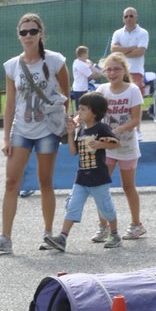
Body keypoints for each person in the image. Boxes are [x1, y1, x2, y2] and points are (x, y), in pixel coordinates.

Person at [0, 13, 69, 254]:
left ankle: (48, 233)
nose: (28, 36)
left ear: (41, 33)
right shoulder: (12, 66)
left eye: (33, 31)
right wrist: (5, 137)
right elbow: (10, 104)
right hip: (22, 128)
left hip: (47, 129)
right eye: (24, 32)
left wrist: (63, 122)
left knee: (45, 181)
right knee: (11, 181)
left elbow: (66, 93)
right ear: (18, 35)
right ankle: (5, 237)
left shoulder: (55, 61)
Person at [43, 92, 121, 252]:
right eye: (80, 109)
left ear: (95, 112)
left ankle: (114, 233)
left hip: (99, 177)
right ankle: (62, 237)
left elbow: (115, 143)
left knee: (106, 208)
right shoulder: (82, 130)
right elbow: (73, 152)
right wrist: (71, 133)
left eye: (83, 109)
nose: (80, 112)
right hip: (82, 177)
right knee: (73, 206)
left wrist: (100, 144)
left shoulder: (101, 128)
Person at [93, 52, 146, 240]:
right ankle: (103, 226)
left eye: (117, 69)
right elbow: (91, 112)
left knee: (128, 186)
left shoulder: (132, 90)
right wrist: (76, 121)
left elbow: (135, 120)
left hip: (127, 147)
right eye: (109, 69)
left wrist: (117, 130)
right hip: (106, 147)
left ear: (125, 70)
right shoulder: (101, 90)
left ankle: (136, 224)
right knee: (100, 186)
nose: (112, 73)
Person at [110, 7, 149, 94]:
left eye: (131, 16)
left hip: (136, 71)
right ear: (123, 19)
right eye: (126, 16)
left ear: (136, 17)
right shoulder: (117, 33)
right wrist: (132, 48)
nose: (128, 18)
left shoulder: (143, 33)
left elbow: (140, 52)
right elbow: (113, 50)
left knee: (136, 99)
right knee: (120, 97)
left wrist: (121, 53)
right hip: (120, 71)